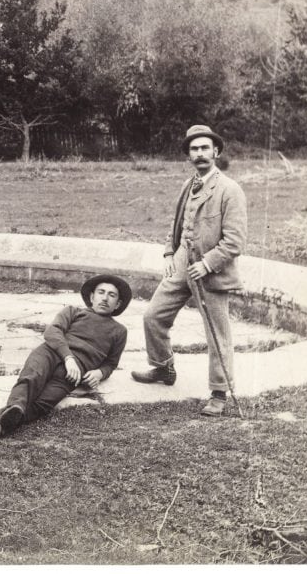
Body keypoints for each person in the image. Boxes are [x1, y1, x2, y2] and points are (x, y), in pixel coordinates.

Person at [132, 124, 248, 417]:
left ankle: (219, 393)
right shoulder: (188, 185)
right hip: (184, 260)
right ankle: (162, 368)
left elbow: (235, 241)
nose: (199, 154)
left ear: (216, 152)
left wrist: (207, 263)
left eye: (204, 148)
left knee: (216, 333)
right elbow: (178, 224)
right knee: (153, 315)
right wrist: (171, 252)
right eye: (193, 149)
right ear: (188, 155)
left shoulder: (229, 190)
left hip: (211, 269)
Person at [0, 274, 131, 437]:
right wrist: (68, 358)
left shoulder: (119, 331)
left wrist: (100, 373)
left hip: (74, 373)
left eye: (112, 295)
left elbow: (111, 363)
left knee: (45, 402)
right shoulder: (73, 311)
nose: (105, 298)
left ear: (117, 304)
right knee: (32, 377)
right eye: (101, 292)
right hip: (51, 353)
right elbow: (52, 331)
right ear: (91, 296)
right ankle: (7, 415)